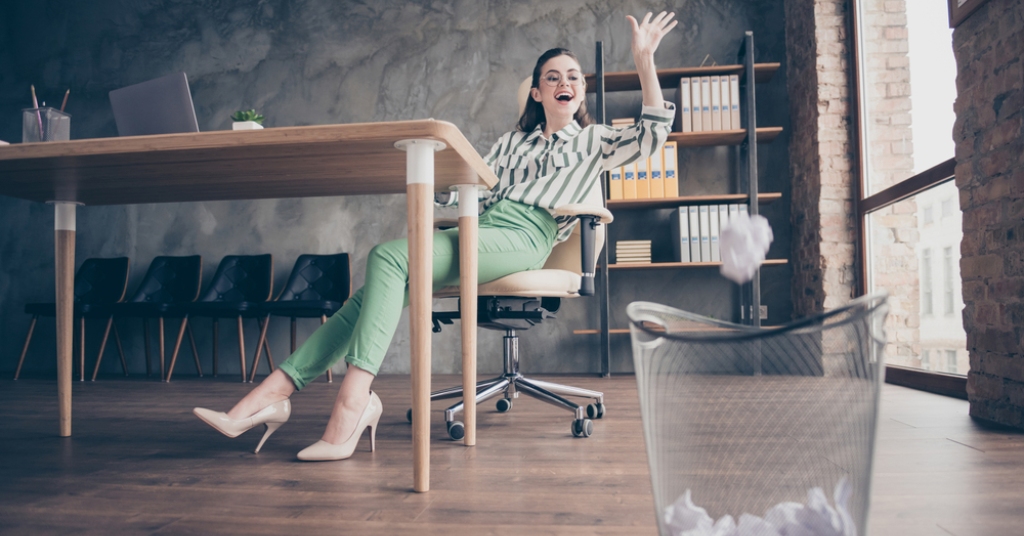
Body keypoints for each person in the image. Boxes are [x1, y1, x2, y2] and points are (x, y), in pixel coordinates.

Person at [193, 11, 678, 461]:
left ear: (581, 92)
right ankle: (272, 394)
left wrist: (643, 61)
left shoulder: (593, 142)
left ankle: (346, 402)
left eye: (573, 77)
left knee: (387, 256)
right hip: (482, 227)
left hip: (527, 237)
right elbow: (474, 194)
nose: (564, 83)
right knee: (372, 291)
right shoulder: (511, 144)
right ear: (537, 93)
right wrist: (427, 181)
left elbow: (652, 135)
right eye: (552, 77)